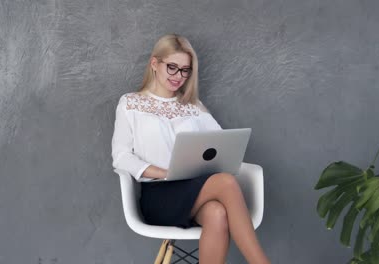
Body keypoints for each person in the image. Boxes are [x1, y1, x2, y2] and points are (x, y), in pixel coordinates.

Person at [111, 33, 270, 264]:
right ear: (155, 64)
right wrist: (163, 172)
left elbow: (221, 145)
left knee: (217, 213)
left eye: (185, 70)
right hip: (159, 196)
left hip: (194, 191)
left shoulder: (194, 107)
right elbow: (121, 157)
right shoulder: (131, 103)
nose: (179, 76)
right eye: (172, 67)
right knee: (225, 182)